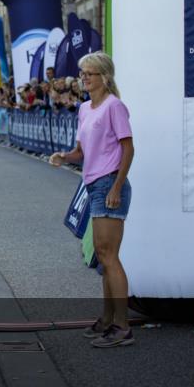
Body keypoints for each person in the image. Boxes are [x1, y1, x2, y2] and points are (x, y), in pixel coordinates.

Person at [50, 52, 135, 348]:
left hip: (110, 184)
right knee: (103, 255)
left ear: (105, 77)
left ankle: (122, 327)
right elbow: (81, 151)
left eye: (89, 73)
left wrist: (116, 187)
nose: (83, 78)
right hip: (94, 184)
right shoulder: (85, 108)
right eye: (82, 73)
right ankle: (109, 319)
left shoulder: (115, 106)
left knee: (109, 256)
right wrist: (64, 157)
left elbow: (128, 149)